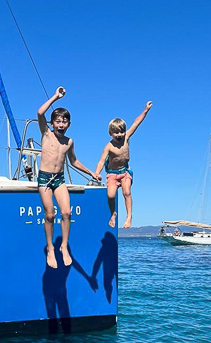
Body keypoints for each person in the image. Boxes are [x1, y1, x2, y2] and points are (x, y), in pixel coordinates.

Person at [37, 86, 101, 269]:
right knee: (50, 214)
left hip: (59, 179)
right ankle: (50, 248)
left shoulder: (69, 142)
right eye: (57, 121)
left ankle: (63, 246)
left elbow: (74, 162)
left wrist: (91, 173)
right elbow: (39, 112)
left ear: (69, 124)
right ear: (52, 123)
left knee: (67, 212)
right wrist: (56, 97)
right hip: (44, 179)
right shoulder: (46, 133)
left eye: (64, 122)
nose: (61, 124)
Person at [95, 101, 152, 228]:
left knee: (127, 192)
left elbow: (137, 123)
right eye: (116, 133)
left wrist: (145, 111)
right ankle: (113, 213)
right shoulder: (109, 146)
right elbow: (101, 160)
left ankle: (129, 216)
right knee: (111, 195)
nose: (119, 135)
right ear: (110, 133)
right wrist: (97, 172)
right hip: (112, 174)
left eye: (121, 132)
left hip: (125, 171)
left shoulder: (126, 138)